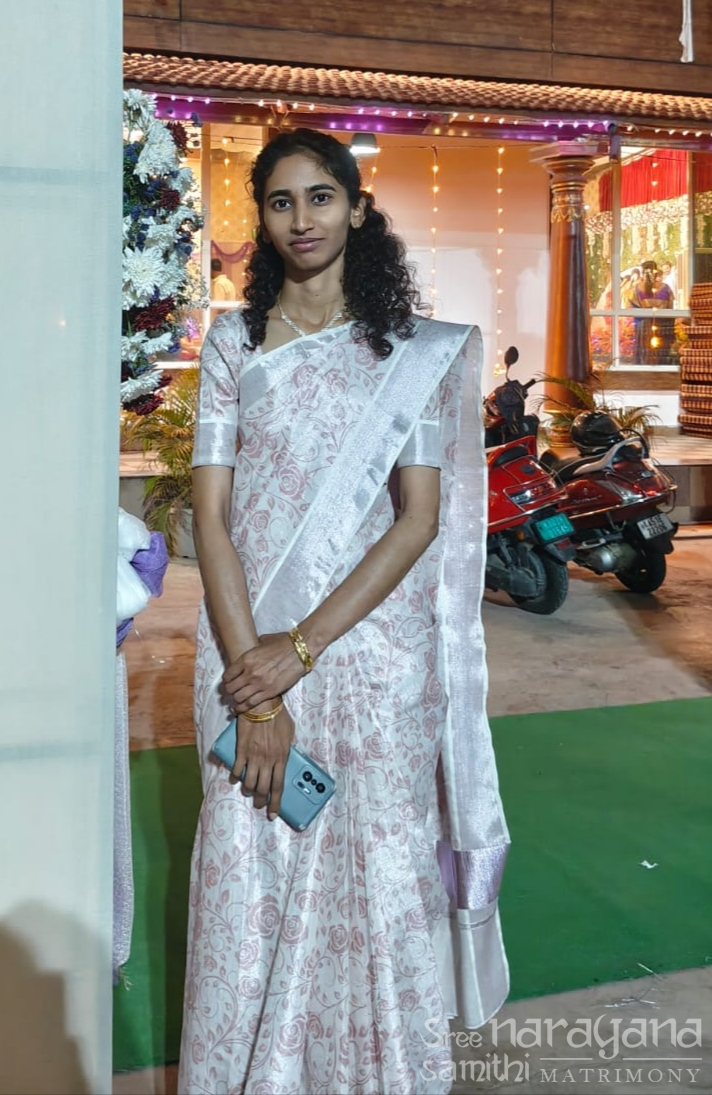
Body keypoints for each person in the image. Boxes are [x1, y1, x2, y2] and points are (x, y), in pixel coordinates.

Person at [179, 128, 509, 1094]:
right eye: (280, 201)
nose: (302, 219)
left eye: (321, 197)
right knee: (251, 857)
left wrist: (302, 649)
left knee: (376, 861)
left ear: (358, 209)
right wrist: (259, 688)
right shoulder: (234, 343)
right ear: (261, 219)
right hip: (242, 644)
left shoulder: (408, 351)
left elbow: (418, 519)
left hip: (369, 653)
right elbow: (212, 517)